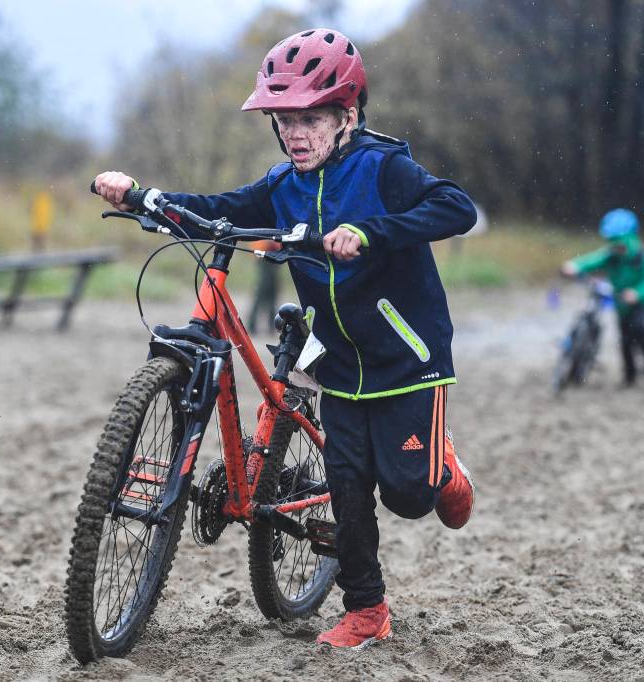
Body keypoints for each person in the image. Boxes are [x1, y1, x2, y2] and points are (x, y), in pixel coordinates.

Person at [94, 28, 477, 649]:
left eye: (310, 118)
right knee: (348, 485)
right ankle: (367, 611)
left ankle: (447, 469)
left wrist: (371, 232)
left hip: (407, 358)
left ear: (345, 115)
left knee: (409, 494)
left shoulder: (385, 168)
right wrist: (142, 196)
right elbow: (218, 207)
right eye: (284, 119)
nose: (295, 133)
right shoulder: (283, 186)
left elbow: (456, 207)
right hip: (341, 363)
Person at [561, 208, 644, 386]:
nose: (616, 246)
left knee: (639, 331)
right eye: (612, 242)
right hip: (621, 304)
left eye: (619, 242)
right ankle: (630, 376)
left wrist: (637, 293)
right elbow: (593, 260)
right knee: (624, 341)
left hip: (638, 303)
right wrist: (574, 265)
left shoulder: (643, 257)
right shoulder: (612, 256)